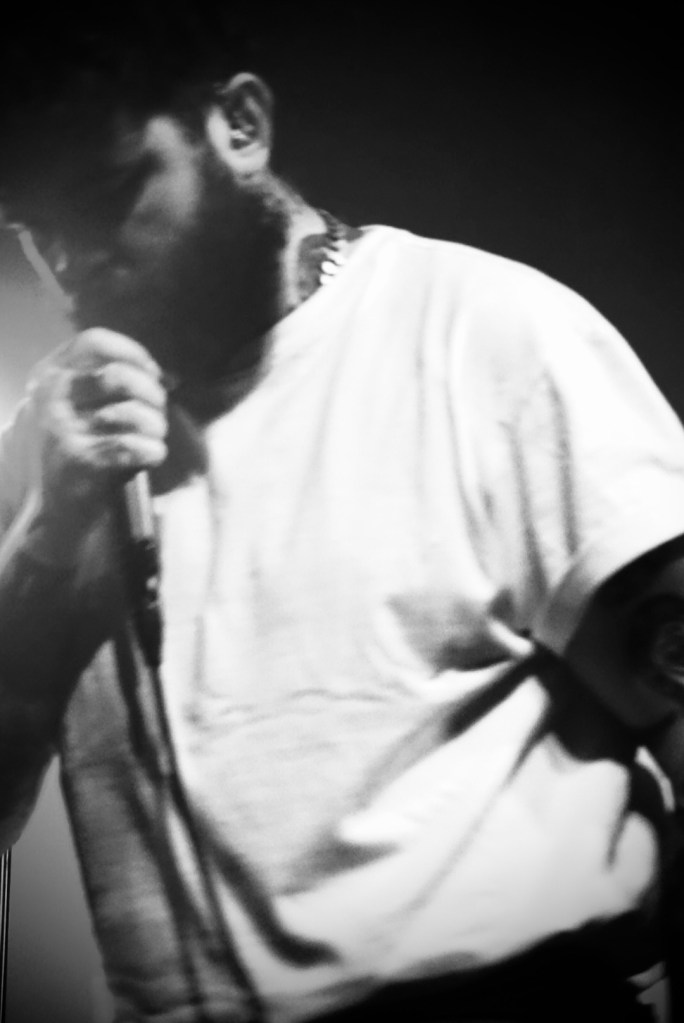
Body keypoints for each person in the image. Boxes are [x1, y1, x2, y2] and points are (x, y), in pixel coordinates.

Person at [1, 7, 684, 1022]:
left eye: (108, 198)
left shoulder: (479, 332)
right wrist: (45, 542)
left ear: (239, 127)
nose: (76, 264)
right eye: (37, 233)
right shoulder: (52, 448)